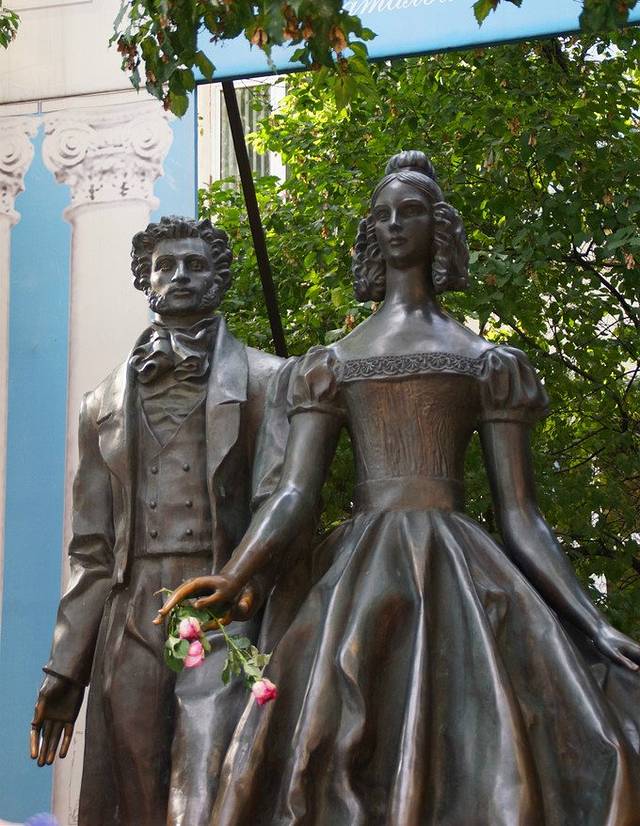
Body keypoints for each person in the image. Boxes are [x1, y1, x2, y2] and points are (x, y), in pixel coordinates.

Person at [159, 153, 640, 825]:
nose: (393, 224)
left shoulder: (488, 364)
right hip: (358, 577)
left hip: (460, 573)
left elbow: (521, 514)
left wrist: (592, 622)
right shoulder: (332, 363)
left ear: (438, 227)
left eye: (409, 211)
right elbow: (295, 494)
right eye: (381, 214)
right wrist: (237, 572)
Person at [29, 216, 290, 826]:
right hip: (133, 613)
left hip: (224, 604)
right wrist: (65, 668)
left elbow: (278, 502)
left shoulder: (268, 380)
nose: (180, 276)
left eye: (196, 265)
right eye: (165, 266)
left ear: (219, 279)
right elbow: (91, 552)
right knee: (137, 780)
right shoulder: (100, 404)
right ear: (145, 281)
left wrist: (251, 587)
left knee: (206, 780)